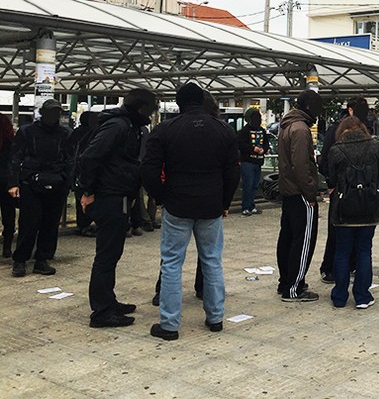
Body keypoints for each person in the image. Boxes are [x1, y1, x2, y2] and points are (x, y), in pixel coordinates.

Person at [142, 83, 240, 341]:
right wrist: (225, 202)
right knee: (212, 259)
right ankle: (215, 317)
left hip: (177, 204)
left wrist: (162, 197)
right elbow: (232, 171)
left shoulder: (165, 130)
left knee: (172, 263)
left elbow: (149, 170)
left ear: (179, 103)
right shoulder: (223, 130)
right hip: (211, 205)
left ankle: (170, 324)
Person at [78, 89, 157, 328]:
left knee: (112, 253)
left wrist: (131, 194)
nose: (152, 114)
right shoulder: (119, 126)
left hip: (119, 195)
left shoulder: (129, 126)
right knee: (106, 255)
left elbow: (127, 164)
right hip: (108, 196)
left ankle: (108, 301)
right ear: (141, 108)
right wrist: (88, 191)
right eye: (151, 108)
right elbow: (90, 158)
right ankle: (101, 312)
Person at [325, 116, 379, 308]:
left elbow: (331, 179)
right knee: (364, 250)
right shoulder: (375, 145)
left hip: (343, 209)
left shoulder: (336, 150)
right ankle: (362, 296)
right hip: (369, 207)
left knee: (342, 252)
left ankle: (339, 296)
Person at [8, 99, 72, 277]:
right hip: (31, 183)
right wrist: (13, 182)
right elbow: (15, 157)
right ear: (42, 113)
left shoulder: (65, 133)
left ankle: (42, 259)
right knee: (29, 223)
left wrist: (67, 182)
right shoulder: (27, 131)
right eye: (50, 112)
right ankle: (20, 260)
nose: (54, 116)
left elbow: (70, 159)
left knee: (50, 224)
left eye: (56, 113)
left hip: (57, 182)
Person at [276, 89, 323, 302]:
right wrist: (311, 191)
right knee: (303, 240)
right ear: (308, 107)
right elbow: (302, 165)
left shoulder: (286, 125)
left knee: (287, 237)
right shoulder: (301, 130)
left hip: (288, 191)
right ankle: (294, 287)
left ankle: (285, 281)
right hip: (301, 193)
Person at [317, 96, 368, 284]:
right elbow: (326, 161)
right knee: (337, 230)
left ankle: (351, 265)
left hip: (359, 189)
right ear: (350, 110)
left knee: (357, 230)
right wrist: (331, 184)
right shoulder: (336, 131)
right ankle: (328, 267)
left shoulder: (365, 132)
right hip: (341, 189)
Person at [68, 111, 99, 237]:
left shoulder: (76, 132)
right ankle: (86, 225)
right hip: (85, 171)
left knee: (80, 199)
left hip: (77, 171)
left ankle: (83, 225)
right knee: (89, 198)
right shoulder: (96, 133)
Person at [238, 107, 269, 216]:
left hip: (258, 161)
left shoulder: (262, 130)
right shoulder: (244, 131)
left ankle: (251, 205)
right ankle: (246, 207)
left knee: (254, 185)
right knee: (248, 184)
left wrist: (263, 150)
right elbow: (240, 144)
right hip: (248, 162)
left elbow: (266, 144)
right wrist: (252, 149)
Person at [1, 112, 16, 258]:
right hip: (6, 180)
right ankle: (7, 246)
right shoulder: (9, 141)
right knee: (8, 214)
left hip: (5, 178)